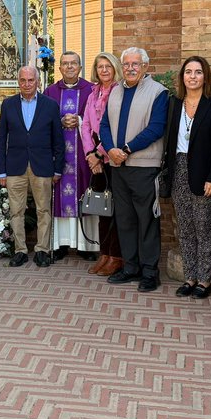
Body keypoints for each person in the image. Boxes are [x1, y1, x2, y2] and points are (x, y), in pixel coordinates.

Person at [99, 47, 169, 292]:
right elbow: (104, 124)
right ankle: (130, 268)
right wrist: (110, 150)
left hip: (144, 167)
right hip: (118, 166)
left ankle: (150, 272)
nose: (130, 68)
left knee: (147, 219)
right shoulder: (116, 90)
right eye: (126, 64)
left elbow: (156, 128)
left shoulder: (158, 92)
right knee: (125, 220)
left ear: (145, 67)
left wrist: (125, 149)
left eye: (135, 64)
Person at [162, 56, 211, 299]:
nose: (192, 76)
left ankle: (204, 280)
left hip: (204, 172)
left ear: (205, 76)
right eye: (188, 72)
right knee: (186, 227)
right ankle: (189, 277)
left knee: (205, 227)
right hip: (178, 168)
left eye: (197, 72)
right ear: (182, 77)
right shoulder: (174, 103)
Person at [0, 66, 66, 267]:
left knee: (43, 210)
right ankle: (20, 250)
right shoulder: (8, 105)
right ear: (18, 81)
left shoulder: (50, 105)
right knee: (16, 211)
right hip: (14, 167)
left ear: (38, 82)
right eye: (23, 80)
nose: (27, 84)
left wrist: (57, 168)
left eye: (31, 80)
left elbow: (58, 141)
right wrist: (1, 170)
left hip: (42, 167)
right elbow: (1, 140)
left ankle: (42, 250)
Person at [45, 52, 96, 260]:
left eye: (73, 63)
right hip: (60, 156)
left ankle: (87, 245)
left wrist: (80, 119)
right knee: (60, 196)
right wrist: (60, 120)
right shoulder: (50, 92)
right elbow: (44, 121)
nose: (69, 67)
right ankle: (61, 244)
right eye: (65, 64)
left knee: (85, 193)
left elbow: (99, 119)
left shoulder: (91, 90)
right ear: (59, 68)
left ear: (80, 67)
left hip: (84, 156)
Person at [81, 52, 124, 277]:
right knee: (102, 208)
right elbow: (86, 125)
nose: (104, 70)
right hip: (96, 160)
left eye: (108, 66)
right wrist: (90, 154)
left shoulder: (119, 92)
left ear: (115, 68)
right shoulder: (92, 93)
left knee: (115, 210)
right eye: (100, 67)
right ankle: (104, 254)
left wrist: (99, 153)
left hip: (112, 160)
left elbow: (116, 128)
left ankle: (116, 256)